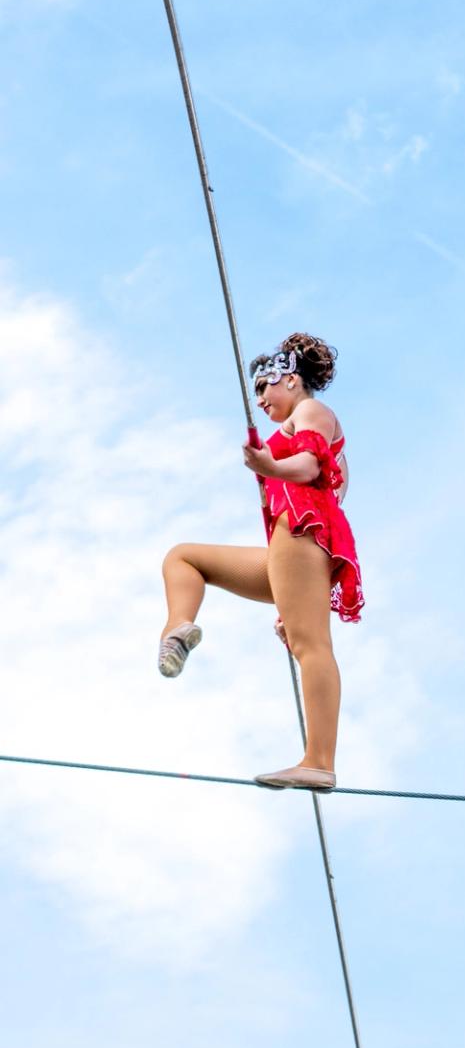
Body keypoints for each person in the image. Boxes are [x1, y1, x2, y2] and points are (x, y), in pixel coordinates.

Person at [158, 332, 362, 791]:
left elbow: (310, 468)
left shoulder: (312, 413)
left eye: (264, 388)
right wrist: (294, 601)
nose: (261, 400)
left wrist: (270, 467)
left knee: (313, 648)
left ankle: (319, 760)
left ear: (289, 379)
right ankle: (178, 629)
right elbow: (334, 487)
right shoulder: (325, 438)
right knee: (185, 559)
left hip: (300, 534)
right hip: (293, 549)